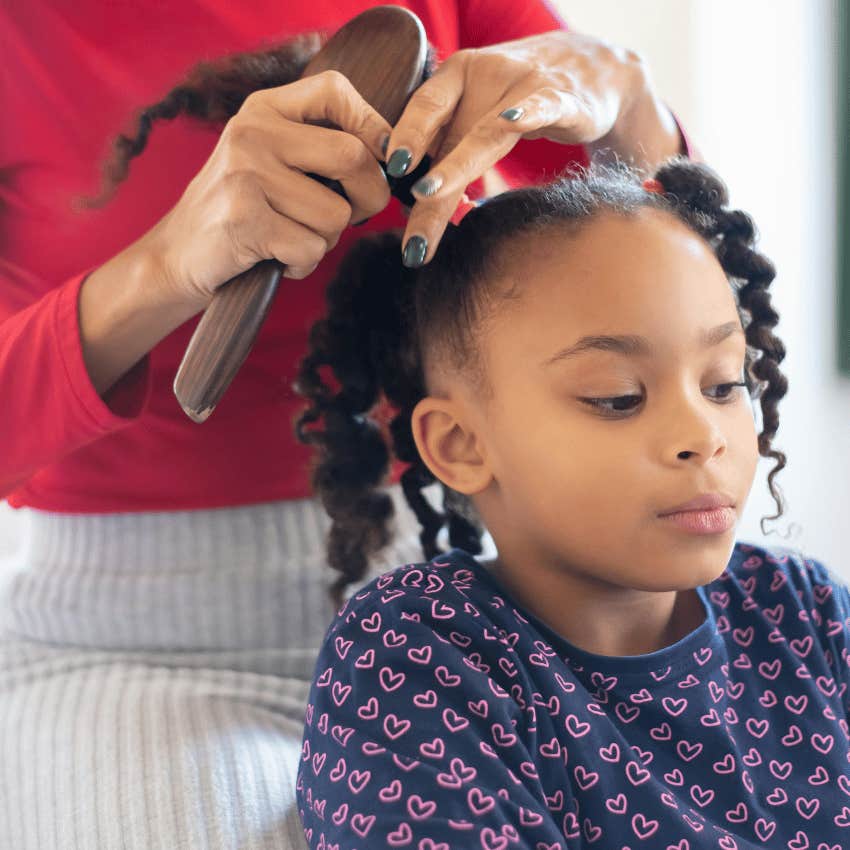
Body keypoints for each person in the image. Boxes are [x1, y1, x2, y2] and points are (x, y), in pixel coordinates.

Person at [0, 1, 699, 848]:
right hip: (142, 652)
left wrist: (629, 102)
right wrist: (165, 264)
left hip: (468, 612)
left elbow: (707, 310)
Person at [293, 158, 850, 847]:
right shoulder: (416, 654)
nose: (703, 438)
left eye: (724, 384)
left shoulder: (803, 611)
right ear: (463, 444)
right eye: (618, 397)